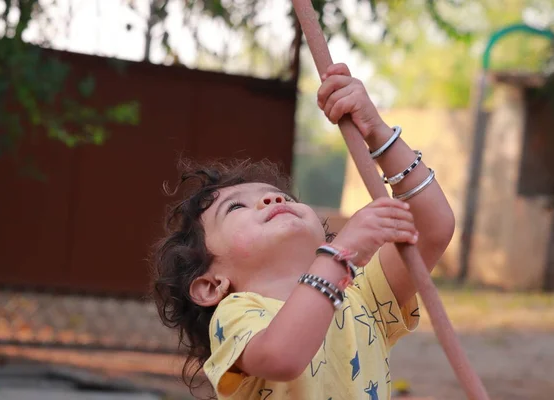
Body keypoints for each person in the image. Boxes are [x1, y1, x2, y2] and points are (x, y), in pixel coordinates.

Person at [151, 63, 455, 400]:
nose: (273, 198)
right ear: (211, 285)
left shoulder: (362, 297)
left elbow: (432, 228)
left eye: (284, 197)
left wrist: (378, 132)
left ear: (320, 241)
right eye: (236, 207)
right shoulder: (237, 314)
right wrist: (340, 255)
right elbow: (282, 357)